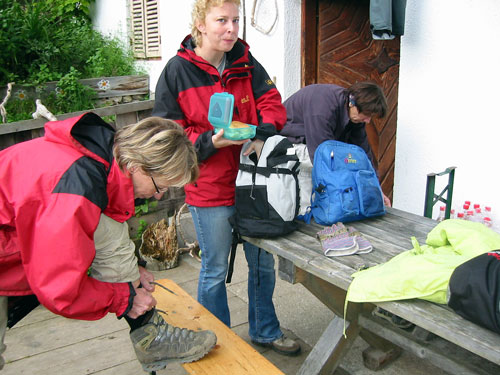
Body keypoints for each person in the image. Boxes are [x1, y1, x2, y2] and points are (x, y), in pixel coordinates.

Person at [0, 113, 217, 373]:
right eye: (161, 185)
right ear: (136, 165)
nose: (159, 196)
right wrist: (123, 299)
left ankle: (151, 336)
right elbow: (60, 290)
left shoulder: (100, 160)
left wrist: (133, 270)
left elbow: (108, 227)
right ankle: (150, 334)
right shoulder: (75, 190)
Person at [152, 0, 301, 356]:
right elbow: (168, 135)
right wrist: (211, 141)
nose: (231, 28)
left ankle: (264, 330)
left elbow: (273, 104)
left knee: (262, 263)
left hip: (254, 184)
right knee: (215, 269)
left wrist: (261, 133)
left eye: (235, 20)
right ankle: (217, 341)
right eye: (221, 20)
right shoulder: (176, 71)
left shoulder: (246, 61)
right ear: (200, 25)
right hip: (209, 186)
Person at [280, 82, 392, 215]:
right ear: (352, 103)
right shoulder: (321, 106)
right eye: (367, 114)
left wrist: (376, 188)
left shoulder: (356, 114)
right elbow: (320, 155)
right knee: (311, 205)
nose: (368, 121)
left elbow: (363, 153)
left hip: (316, 145)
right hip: (293, 145)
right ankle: (306, 218)